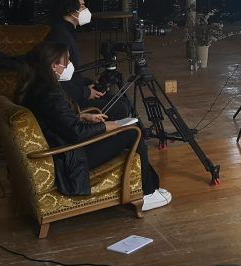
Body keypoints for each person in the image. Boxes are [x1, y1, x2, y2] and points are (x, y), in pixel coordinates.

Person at [17, 41, 171, 211]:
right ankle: (147, 194)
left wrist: (82, 116)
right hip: (69, 158)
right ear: (54, 66)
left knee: (124, 130)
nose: (70, 65)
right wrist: (107, 126)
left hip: (62, 147)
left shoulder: (35, 86)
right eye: (67, 61)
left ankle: (146, 185)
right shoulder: (50, 94)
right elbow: (77, 133)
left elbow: (53, 120)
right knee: (133, 133)